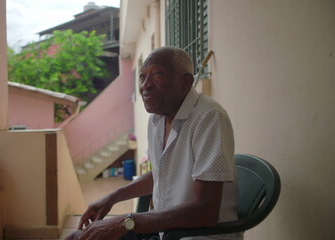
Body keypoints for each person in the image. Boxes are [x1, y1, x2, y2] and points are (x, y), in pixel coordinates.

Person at [66, 47, 242, 240]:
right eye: (142, 77)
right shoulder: (158, 119)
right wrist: (112, 197)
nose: (145, 86)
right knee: (78, 237)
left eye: (157, 75)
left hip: (197, 236)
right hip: (164, 232)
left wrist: (126, 221)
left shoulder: (208, 117)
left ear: (185, 83)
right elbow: (161, 174)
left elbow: (205, 211)